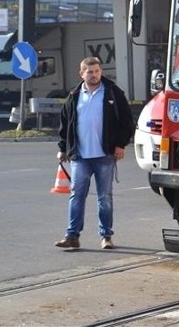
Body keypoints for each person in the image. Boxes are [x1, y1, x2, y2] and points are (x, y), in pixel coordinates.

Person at [54, 57, 135, 250]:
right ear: (81, 74)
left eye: (97, 71)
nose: (94, 75)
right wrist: (63, 148)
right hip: (80, 156)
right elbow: (65, 124)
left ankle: (106, 236)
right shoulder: (74, 95)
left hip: (104, 155)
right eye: (90, 72)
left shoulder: (113, 93)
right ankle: (72, 236)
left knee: (104, 198)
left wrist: (120, 145)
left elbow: (127, 121)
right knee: (76, 196)